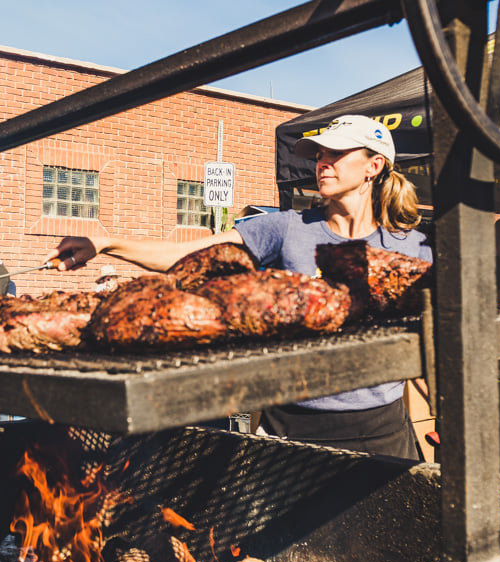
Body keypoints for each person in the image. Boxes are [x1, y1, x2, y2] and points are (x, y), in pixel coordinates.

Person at [46, 115, 429, 459]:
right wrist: (107, 243)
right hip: (293, 423)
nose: (322, 162)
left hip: (380, 427)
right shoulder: (287, 228)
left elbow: (434, 334)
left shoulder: (411, 248)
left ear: (374, 166)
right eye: (319, 155)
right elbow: (188, 254)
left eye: (337, 153)